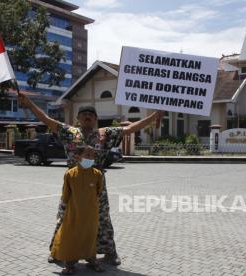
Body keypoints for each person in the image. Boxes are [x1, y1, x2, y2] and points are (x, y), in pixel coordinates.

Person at [17, 92, 163, 265]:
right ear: (78, 119)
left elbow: (131, 128)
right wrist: (29, 104)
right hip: (74, 181)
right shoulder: (69, 132)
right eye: (84, 115)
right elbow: (47, 119)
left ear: (96, 120)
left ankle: (109, 252)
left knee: (102, 217)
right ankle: (57, 251)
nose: (87, 117)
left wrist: (154, 116)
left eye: (91, 115)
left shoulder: (105, 133)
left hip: (96, 182)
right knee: (66, 216)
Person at [50, 146, 104, 274]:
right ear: (77, 157)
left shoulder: (97, 174)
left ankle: (91, 260)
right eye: (87, 155)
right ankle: (70, 263)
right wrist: (62, 211)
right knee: (71, 236)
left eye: (92, 155)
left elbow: (99, 192)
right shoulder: (70, 174)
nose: (90, 158)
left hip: (91, 213)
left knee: (89, 236)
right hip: (73, 212)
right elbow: (65, 195)